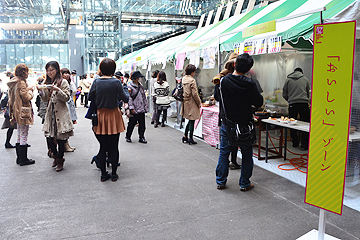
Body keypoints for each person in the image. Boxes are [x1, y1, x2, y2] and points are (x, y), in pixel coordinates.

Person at [214, 53, 263, 191]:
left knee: (224, 153)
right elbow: (259, 102)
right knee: (247, 154)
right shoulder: (250, 83)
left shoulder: (223, 81)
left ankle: (221, 181)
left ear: (234, 64)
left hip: (227, 124)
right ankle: (244, 183)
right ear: (248, 69)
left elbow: (217, 97)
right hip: (245, 125)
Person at [88, 58, 129, 182]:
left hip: (100, 115)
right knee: (114, 146)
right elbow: (125, 98)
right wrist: (125, 89)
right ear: (113, 69)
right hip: (113, 115)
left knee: (103, 146)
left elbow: (90, 97)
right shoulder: (116, 82)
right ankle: (114, 174)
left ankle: (103, 174)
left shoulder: (96, 82)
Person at [39, 61, 74, 172]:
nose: (49, 72)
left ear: (57, 70)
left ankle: (60, 160)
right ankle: (55, 156)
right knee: (49, 138)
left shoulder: (63, 82)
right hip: (50, 113)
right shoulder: (46, 82)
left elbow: (67, 98)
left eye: (52, 70)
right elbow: (45, 99)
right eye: (48, 70)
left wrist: (57, 90)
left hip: (61, 113)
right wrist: (41, 92)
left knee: (60, 139)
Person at [212, 52, 241, 170]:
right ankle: (233, 161)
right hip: (238, 116)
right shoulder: (242, 78)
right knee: (235, 142)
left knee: (224, 148)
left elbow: (217, 97)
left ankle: (221, 180)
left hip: (225, 116)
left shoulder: (221, 79)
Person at [7, 63, 36, 166]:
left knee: (19, 134)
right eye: (27, 71)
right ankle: (23, 159)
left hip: (16, 111)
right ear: (24, 72)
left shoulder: (14, 82)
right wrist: (31, 92)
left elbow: (19, 94)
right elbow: (26, 97)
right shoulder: (21, 82)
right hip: (23, 111)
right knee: (24, 134)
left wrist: (27, 89)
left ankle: (19, 158)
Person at [282, 67, 310, 150]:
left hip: (292, 104)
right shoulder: (305, 79)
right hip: (303, 103)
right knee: (305, 124)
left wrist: (289, 100)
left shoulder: (288, 80)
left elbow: (284, 93)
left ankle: (295, 142)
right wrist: (306, 100)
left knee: (291, 123)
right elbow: (308, 91)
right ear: (301, 72)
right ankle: (304, 144)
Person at [125, 71, 148, 144]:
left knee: (142, 124)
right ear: (135, 78)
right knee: (131, 123)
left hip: (141, 108)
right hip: (134, 108)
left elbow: (144, 97)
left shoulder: (140, 86)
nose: (139, 79)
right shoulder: (130, 87)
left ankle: (141, 137)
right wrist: (131, 108)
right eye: (138, 77)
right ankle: (128, 136)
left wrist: (145, 106)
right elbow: (129, 98)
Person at [181, 64, 201, 145]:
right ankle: (190, 138)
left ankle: (185, 135)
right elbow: (195, 93)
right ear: (192, 72)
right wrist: (199, 102)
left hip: (185, 101)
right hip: (192, 102)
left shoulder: (184, 79)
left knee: (189, 119)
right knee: (192, 119)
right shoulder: (192, 80)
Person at [61, 68, 77, 152]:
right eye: (64, 73)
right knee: (65, 126)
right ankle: (65, 145)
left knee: (69, 126)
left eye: (68, 73)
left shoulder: (69, 82)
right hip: (64, 106)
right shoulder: (61, 83)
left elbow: (74, 91)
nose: (66, 75)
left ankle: (66, 145)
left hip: (69, 104)